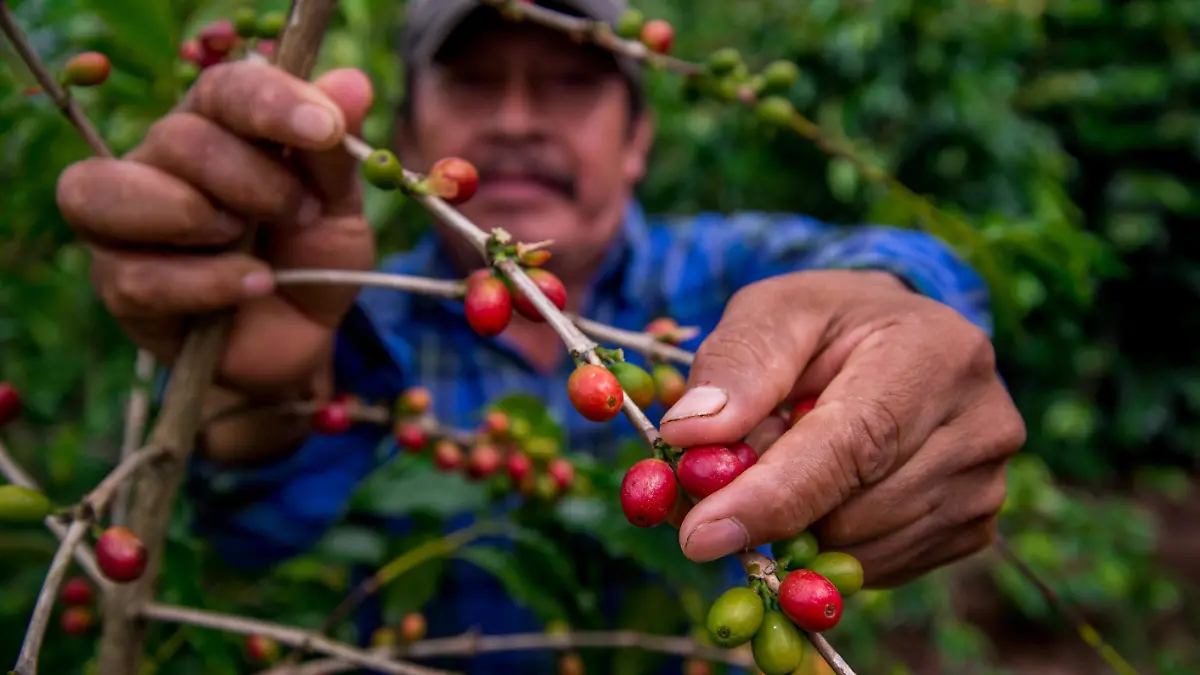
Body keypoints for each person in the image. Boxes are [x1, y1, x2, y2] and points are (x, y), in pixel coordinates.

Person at [54, 0, 1026, 672]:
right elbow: (254, 547)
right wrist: (255, 397)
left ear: (638, 139)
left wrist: (898, 311)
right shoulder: (356, 324)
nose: (517, 120)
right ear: (408, 131)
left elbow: (892, 266)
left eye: (567, 83)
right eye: (474, 83)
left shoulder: (721, 279)